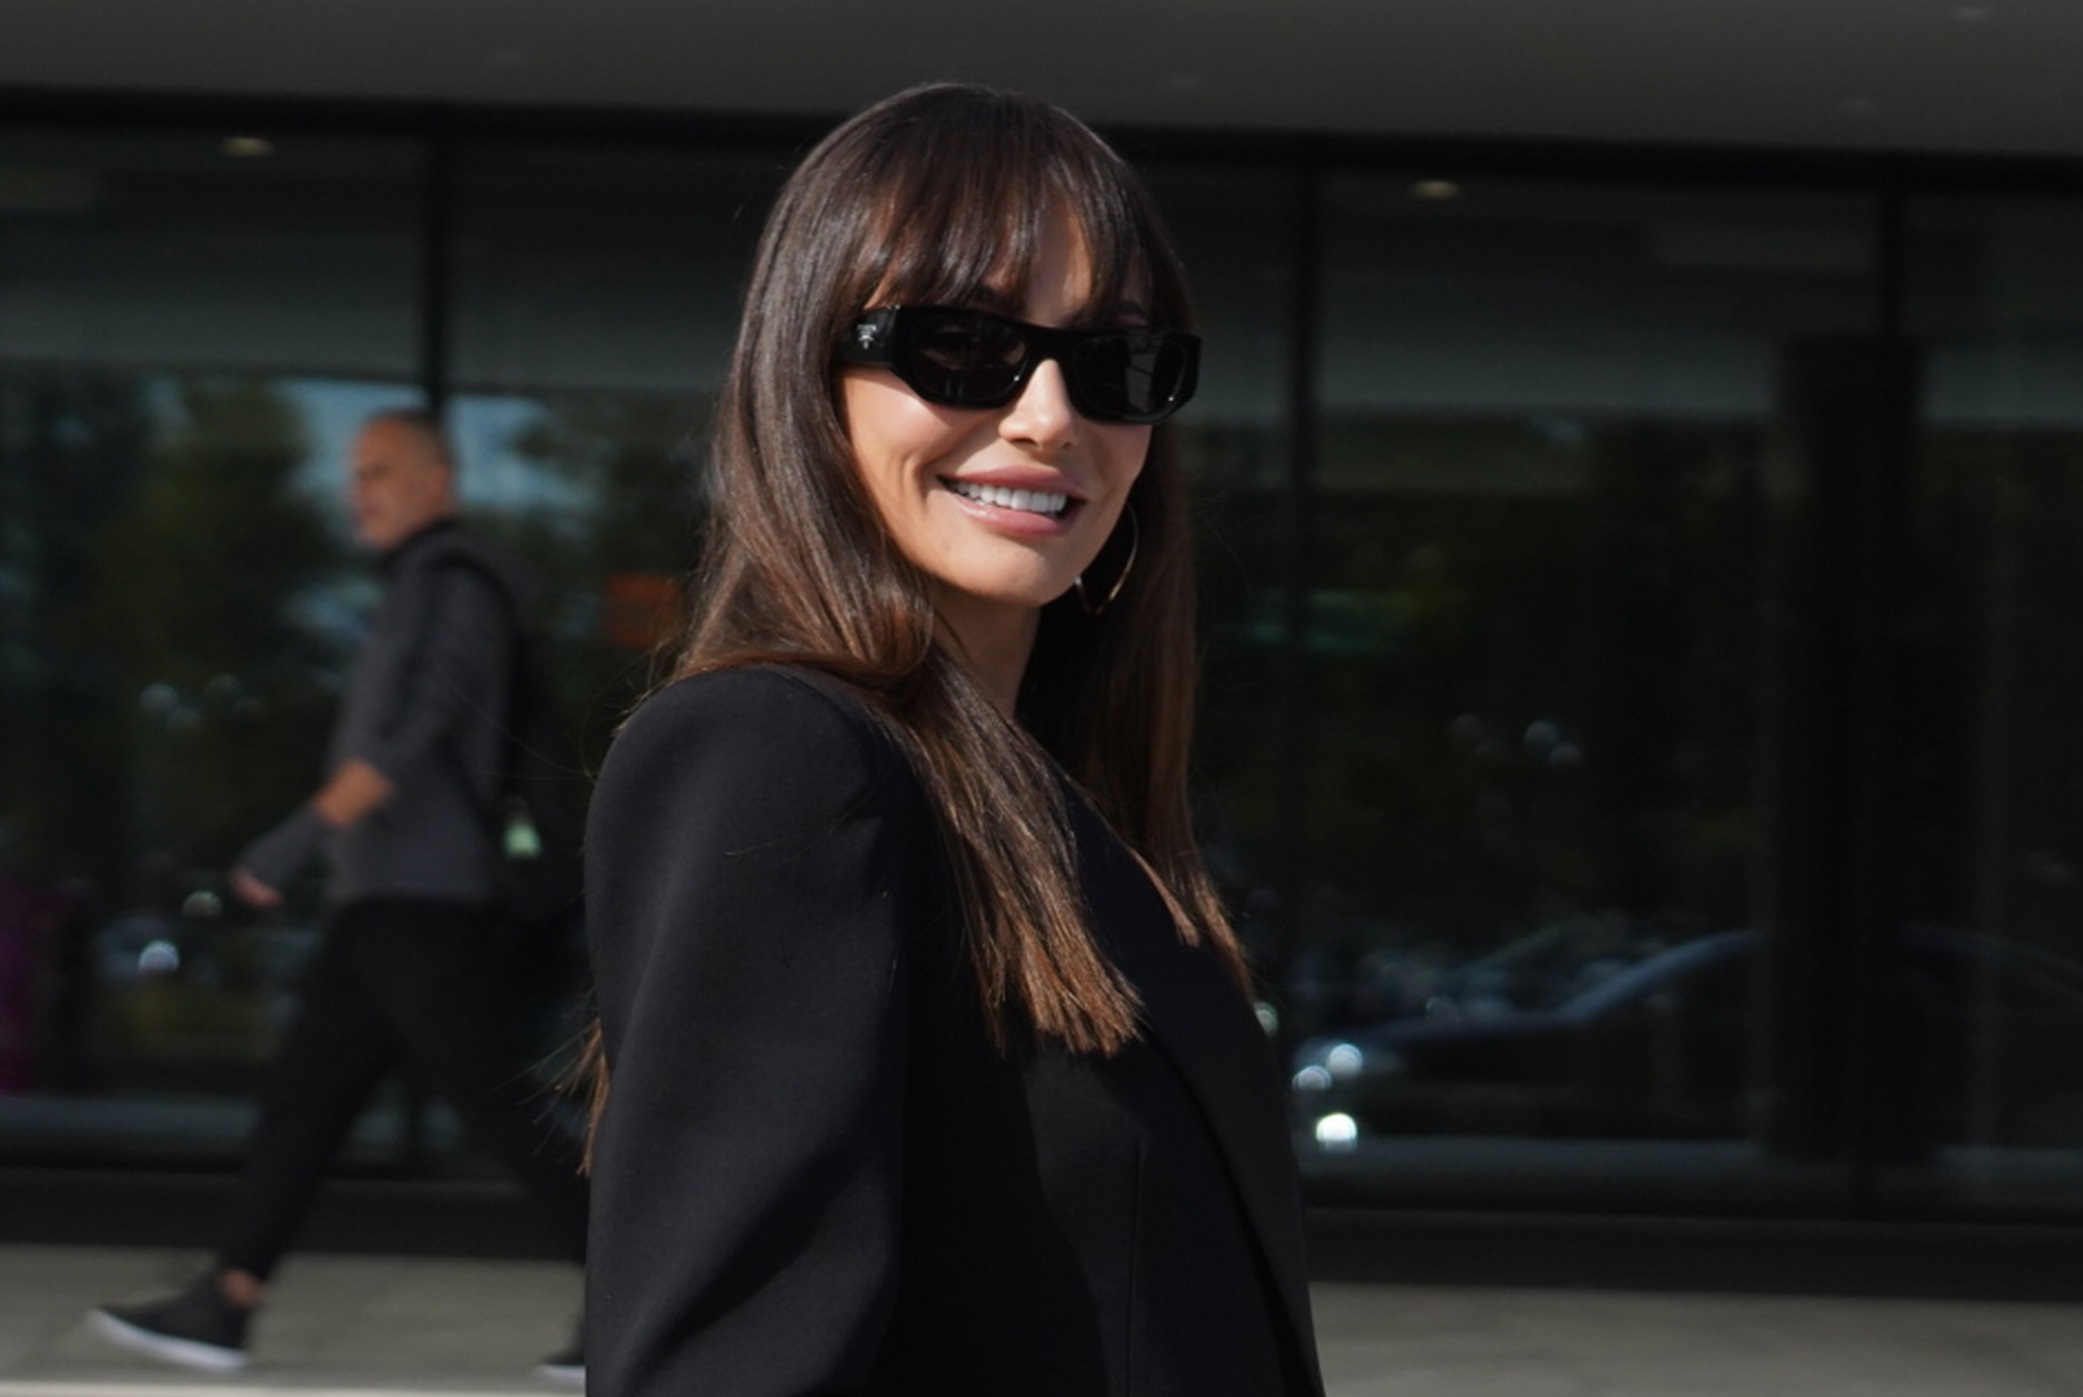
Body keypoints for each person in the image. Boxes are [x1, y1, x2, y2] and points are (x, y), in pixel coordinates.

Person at [583, 84, 1325, 1396]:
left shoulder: (1054, 798)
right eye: (963, 344)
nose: (1048, 415)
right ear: (813, 374)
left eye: (1116, 362)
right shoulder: (782, 756)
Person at [90, 409, 589, 1384]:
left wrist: (290, 843)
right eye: (354, 472)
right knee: (305, 1103)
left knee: (500, 1109)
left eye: (380, 470)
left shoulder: (456, 585)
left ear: (438, 479)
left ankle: (644, 1288)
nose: (358, 490)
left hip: (429, 903)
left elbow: (411, 738)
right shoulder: (418, 584)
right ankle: (225, 1300)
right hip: (381, 900)